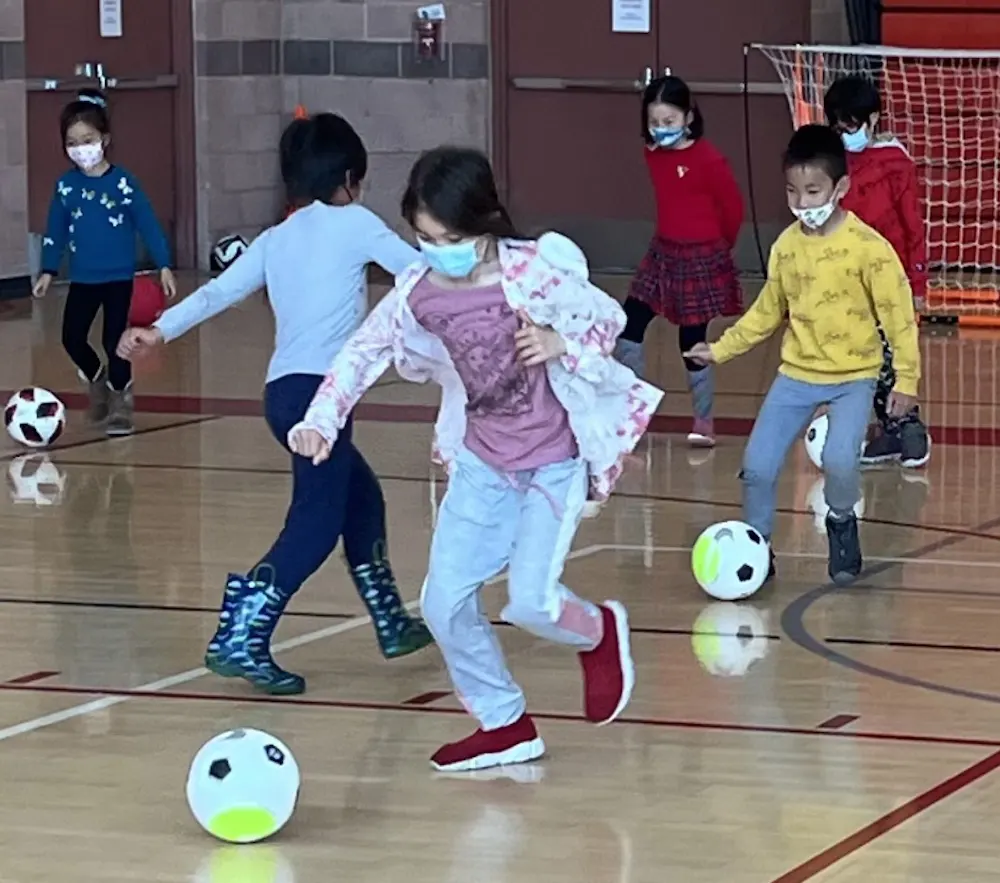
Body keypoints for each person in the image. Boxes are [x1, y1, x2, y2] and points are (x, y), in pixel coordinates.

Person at [288, 147, 664, 771]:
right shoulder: (420, 293)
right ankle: (505, 723)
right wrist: (321, 419)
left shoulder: (534, 271)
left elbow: (608, 324)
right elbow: (364, 351)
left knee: (531, 602)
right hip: (483, 465)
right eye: (425, 237)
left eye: (451, 238)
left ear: (485, 222)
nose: (438, 251)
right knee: (442, 603)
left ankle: (599, 633)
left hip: (553, 461)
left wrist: (557, 342)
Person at [117, 113, 434, 695]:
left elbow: (218, 291)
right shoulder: (357, 223)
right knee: (314, 522)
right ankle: (241, 632)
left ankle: (390, 621)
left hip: (282, 394)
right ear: (349, 178)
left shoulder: (277, 237)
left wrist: (158, 331)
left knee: (360, 497)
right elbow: (417, 272)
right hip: (321, 398)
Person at [685, 125, 920, 586]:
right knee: (757, 466)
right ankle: (757, 547)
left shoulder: (869, 249)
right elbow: (766, 313)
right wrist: (719, 349)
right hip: (797, 374)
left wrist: (906, 381)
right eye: (793, 192)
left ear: (841, 188)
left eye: (814, 191)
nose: (804, 203)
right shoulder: (786, 248)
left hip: (855, 376)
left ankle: (840, 521)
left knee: (839, 460)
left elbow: (899, 319)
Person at [33, 88, 177, 436]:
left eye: (87, 139)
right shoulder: (66, 187)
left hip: (118, 278)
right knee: (72, 337)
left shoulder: (123, 183)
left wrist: (164, 264)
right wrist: (48, 269)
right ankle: (96, 379)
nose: (81, 148)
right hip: (84, 278)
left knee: (117, 340)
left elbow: (147, 223)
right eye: (72, 142)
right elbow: (55, 229)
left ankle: (120, 402)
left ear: (105, 139)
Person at [613, 75, 744, 448]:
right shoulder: (652, 153)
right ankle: (631, 413)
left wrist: (719, 250)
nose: (661, 130)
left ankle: (703, 419)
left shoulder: (709, 159)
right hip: (662, 253)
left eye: (669, 122)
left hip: (700, 255)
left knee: (692, 342)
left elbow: (731, 207)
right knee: (630, 324)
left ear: (688, 117)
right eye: (654, 122)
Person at [824, 74, 931, 469]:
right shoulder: (833, 162)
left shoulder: (894, 162)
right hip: (848, 282)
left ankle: (908, 429)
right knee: (861, 358)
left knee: (891, 360)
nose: (846, 133)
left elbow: (912, 225)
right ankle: (888, 428)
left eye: (852, 124)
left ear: (873, 119)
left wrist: (917, 281)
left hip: (891, 279)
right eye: (839, 125)